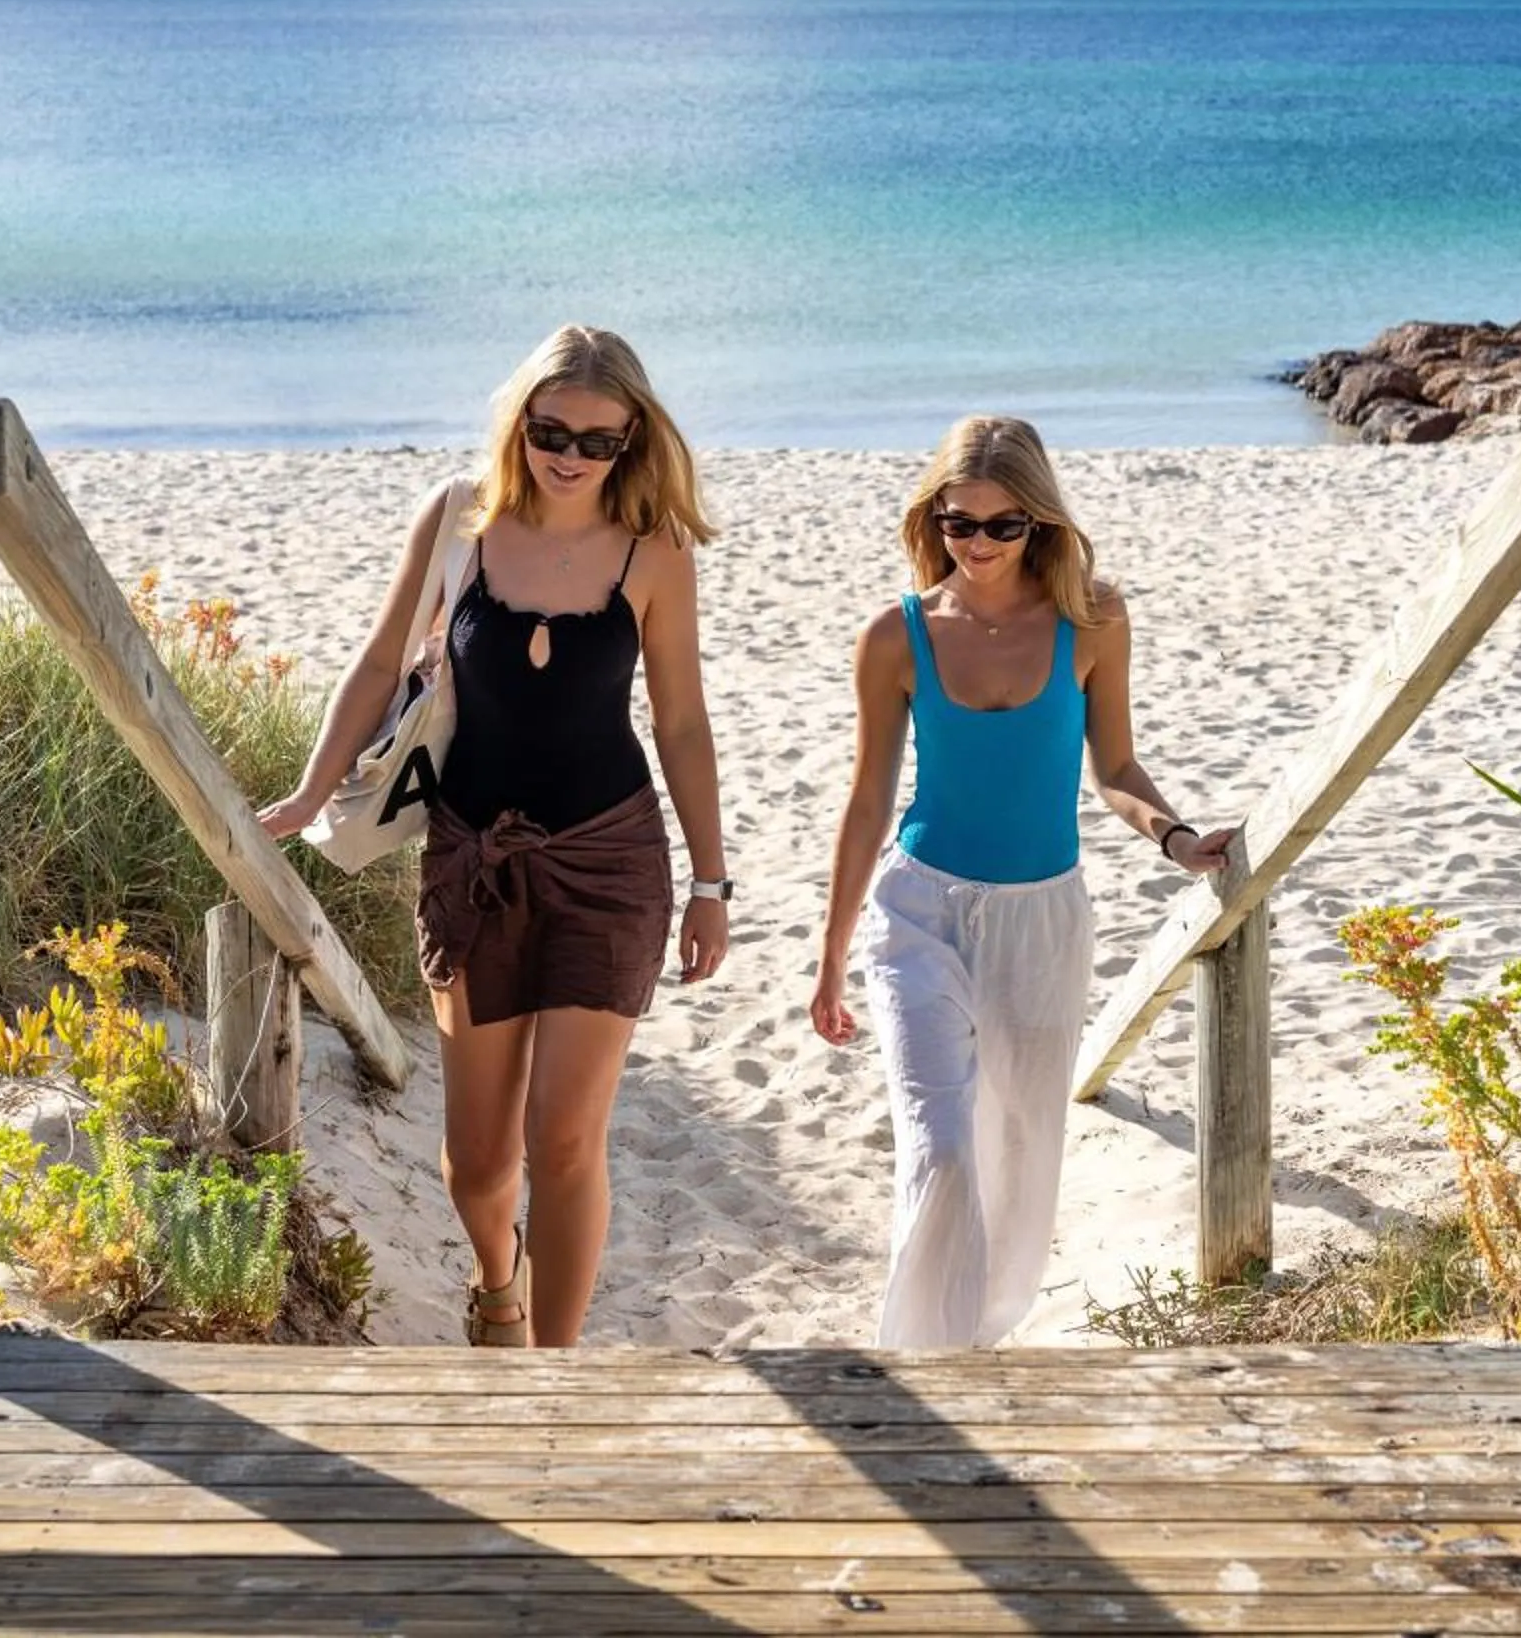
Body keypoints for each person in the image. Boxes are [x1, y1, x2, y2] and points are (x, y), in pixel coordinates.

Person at [261, 326, 731, 1346]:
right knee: (477, 1161)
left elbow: (683, 721)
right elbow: (384, 662)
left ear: (632, 441)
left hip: (611, 859)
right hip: (470, 858)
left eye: (599, 440)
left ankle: (551, 1372)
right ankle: (496, 1279)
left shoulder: (655, 550)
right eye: (550, 428)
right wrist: (310, 792)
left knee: (564, 1139)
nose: (570, 453)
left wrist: (712, 882)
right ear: (519, 419)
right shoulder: (457, 522)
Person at [810, 414, 1232, 1347]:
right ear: (935, 520)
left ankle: (982, 1335)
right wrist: (832, 954)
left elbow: (1115, 769)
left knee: (1021, 1150)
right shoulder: (895, 636)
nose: (982, 543)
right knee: (944, 1151)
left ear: (1040, 524)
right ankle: (924, 1355)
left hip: (1044, 922)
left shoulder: (1094, 620)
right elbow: (866, 801)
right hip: (917, 913)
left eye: (1006, 525)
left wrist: (1177, 837)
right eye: (962, 523)